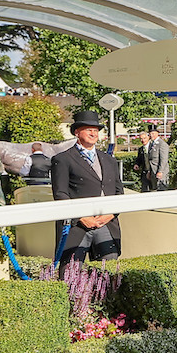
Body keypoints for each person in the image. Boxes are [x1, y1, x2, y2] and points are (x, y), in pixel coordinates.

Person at [51, 110, 123, 270]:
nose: (93, 133)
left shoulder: (109, 160)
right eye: (89, 129)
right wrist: (81, 217)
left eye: (96, 130)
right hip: (77, 226)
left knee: (110, 275)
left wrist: (110, 215)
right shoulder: (62, 160)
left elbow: (119, 192)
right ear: (77, 132)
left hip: (107, 224)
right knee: (71, 275)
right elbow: (60, 194)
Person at [145, 126, 170, 191]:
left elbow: (163, 159)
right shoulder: (151, 144)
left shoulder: (162, 144)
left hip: (160, 171)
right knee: (154, 190)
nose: (151, 135)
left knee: (161, 189)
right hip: (153, 171)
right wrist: (149, 171)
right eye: (150, 134)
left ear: (157, 133)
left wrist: (160, 171)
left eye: (153, 133)